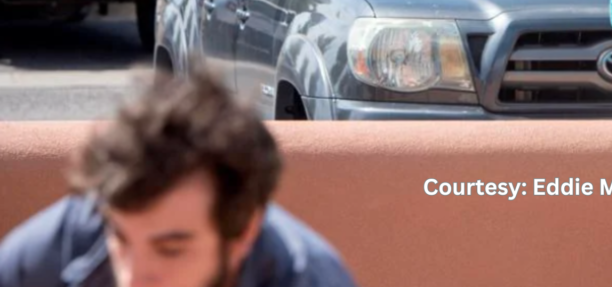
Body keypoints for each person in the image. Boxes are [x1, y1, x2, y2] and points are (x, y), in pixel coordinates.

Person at [0, 66, 360, 287]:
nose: (133, 279)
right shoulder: (63, 245)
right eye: (120, 240)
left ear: (244, 232)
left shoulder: (309, 277)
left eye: (170, 250)